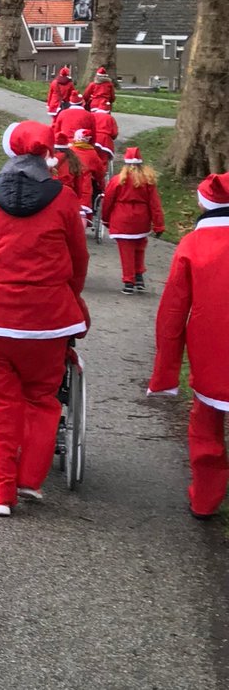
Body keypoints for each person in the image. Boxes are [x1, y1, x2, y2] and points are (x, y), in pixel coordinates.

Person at [0, 121, 89, 516]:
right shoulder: (63, 201)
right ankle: (30, 479)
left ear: (9, 153)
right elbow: (78, 262)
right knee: (42, 398)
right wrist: (71, 296)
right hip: (47, 321)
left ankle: (0, 492)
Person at [148, 173, 229, 519]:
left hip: (213, 352)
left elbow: (172, 314)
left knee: (206, 428)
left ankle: (205, 500)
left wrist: (166, 373)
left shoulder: (194, 245)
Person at [101, 147, 165, 294]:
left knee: (126, 251)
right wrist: (159, 225)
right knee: (139, 248)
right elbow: (155, 204)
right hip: (141, 220)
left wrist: (106, 219)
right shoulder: (147, 181)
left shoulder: (117, 180)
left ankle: (129, 281)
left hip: (122, 219)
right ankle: (139, 276)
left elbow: (108, 201)